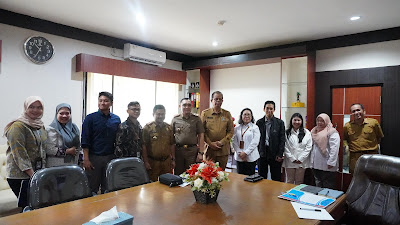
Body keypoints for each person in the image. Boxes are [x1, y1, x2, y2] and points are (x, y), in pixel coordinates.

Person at [4, 96, 47, 210]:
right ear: (25, 108)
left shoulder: (40, 125)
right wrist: (33, 175)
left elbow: (42, 149)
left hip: (36, 173)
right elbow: (19, 154)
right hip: (20, 176)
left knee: (37, 206)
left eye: (39, 107)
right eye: (31, 107)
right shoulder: (17, 127)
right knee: (27, 208)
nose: (35, 110)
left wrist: (41, 173)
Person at [81, 91, 121, 194]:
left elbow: (118, 139)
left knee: (108, 187)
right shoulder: (90, 118)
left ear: (111, 103)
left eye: (106, 101)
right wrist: (86, 159)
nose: (103, 103)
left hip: (110, 157)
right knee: (91, 187)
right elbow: (85, 140)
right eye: (100, 100)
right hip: (94, 158)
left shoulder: (116, 119)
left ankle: (106, 209)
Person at [343, 103, 384, 174]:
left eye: (358, 110)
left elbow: (379, 137)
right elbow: (345, 139)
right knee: (355, 178)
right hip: (355, 158)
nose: (356, 113)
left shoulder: (373, 123)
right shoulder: (347, 126)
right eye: (353, 111)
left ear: (364, 111)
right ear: (351, 114)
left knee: (373, 177)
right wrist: (346, 147)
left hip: (372, 156)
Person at [200, 91, 234, 170]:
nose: (218, 101)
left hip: (223, 151)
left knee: (221, 174)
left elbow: (231, 131)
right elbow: (202, 131)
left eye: (220, 99)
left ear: (222, 101)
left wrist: (222, 142)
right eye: (216, 99)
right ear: (212, 100)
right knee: (208, 173)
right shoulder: (205, 113)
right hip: (209, 150)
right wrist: (210, 143)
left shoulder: (227, 114)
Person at [142, 105, 176, 181]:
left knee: (167, 185)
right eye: (158, 114)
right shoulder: (147, 128)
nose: (160, 116)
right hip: (153, 162)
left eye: (162, 114)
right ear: (153, 114)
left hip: (166, 162)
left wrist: (173, 159)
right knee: (152, 186)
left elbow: (172, 144)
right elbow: (144, 146)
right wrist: (146, 162)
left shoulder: (169, 128)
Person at [171, 98, 204, 175]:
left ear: (191, 106)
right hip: (178, 151)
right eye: (184, 105)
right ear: (180, 106)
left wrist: (201, 153)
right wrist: (172, 155)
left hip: (192, 151)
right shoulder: (175, 119)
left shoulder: (196, 119)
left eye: (189, 105)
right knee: (178, 174)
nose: (187, 107)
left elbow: (201, 135)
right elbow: (171, 137)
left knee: (192, 174)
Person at [256, 100, 285, 181]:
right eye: (267, 108)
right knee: (261, 177)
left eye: (271, 109)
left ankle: (276, 194)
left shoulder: (280, 123)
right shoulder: (259, 122)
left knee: (276, 177)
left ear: (274, 110)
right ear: (264, 109)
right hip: (262, 153)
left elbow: (282, 139)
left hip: (275, 153)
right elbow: (256, 139)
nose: (269, 110)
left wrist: (280, 153)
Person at [310, 113, 340, 189]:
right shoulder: (314, 131)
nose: (319, 123)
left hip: (327, 164)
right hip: (316, 164)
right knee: (318, 184)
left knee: (328, 186)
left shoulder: (332, 131)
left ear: (327, 121)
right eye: (318, 121)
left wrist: (331, 162)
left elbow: (335, 148)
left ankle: (328, 200)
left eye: (322, 121)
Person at [282, 113, 312, 184]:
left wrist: (301, 158)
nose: (296, 122)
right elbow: (285, 146)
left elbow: (308, 147)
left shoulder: (306, 132)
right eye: (294, 120)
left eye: (298, 120)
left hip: (302, 161)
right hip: (290, 161)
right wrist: (292, 158)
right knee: (289, 181)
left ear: (301, 121)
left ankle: (298, 195)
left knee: (299, 181)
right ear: (291, 121)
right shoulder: (286, 132)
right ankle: (289, 195)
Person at [232, 108, 260, 175]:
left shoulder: (255, 127)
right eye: (244, 114)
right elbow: (234, 141)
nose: (246, 116)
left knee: (250, 179)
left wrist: (246, 153)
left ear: (251, 116)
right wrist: (239, 152)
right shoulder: (237, 128)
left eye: (248, 114)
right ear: (241, 116)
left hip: (251, 157)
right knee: (240, 178)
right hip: (239, 157)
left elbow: (255, 142)